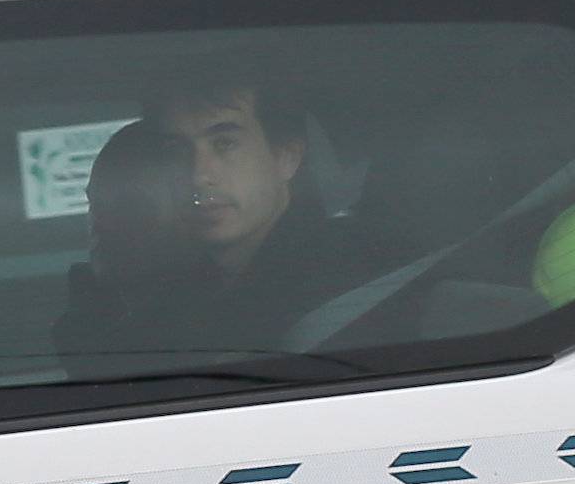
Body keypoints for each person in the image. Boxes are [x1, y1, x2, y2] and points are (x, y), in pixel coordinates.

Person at [56, 75, 361, 377]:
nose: (198, 174)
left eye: (224, 143)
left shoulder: (349, 286)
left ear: (286, 156)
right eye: (177, 150)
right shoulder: (179, 305)